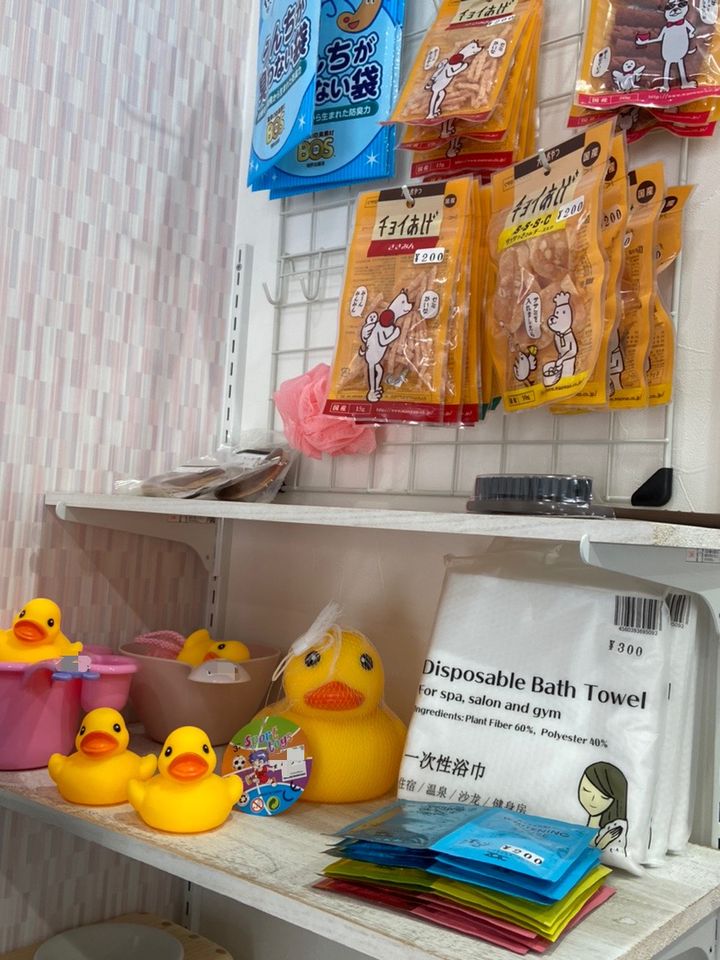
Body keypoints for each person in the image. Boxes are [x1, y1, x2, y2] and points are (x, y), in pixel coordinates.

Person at [578, 761, 629, 855]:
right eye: (586, 790)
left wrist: (603, 842)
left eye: (604, 797)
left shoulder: (617, 826)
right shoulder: (592, 820)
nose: (592, 800)